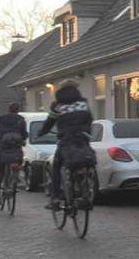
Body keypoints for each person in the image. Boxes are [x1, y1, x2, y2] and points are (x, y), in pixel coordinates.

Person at [38, 81, 93, 209]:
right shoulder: (83, 103)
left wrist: (41, 132)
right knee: (86, 159)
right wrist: (86, 132)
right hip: (82, 138)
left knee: (56, 166)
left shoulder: (57, 105)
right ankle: (85, 192)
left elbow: (49, 123)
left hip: (66, 139)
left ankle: (55, 199)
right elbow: (90, 119)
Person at [0, 103, 27, 205]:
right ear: (18, 110)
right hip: (16, 148)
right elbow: (24, 134)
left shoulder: (1, 119)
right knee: (19, 159)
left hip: (3, 148)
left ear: (8, 109)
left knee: (1, 171)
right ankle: (15, 176)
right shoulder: (21, 119)